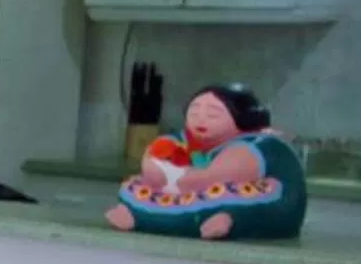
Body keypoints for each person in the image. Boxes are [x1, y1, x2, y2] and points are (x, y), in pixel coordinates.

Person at [109, 83, 307, 240]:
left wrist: (175, 180)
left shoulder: (256, 145)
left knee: (234, 201)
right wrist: (163, 175)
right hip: (189, 188)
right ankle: (135, 213)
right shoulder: (182, 140)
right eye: (194, 113)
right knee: (137, 186)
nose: (201, 120)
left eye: (213, 115)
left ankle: (227, 221)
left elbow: (207, 179)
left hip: (269, 203)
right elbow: (153, 167)